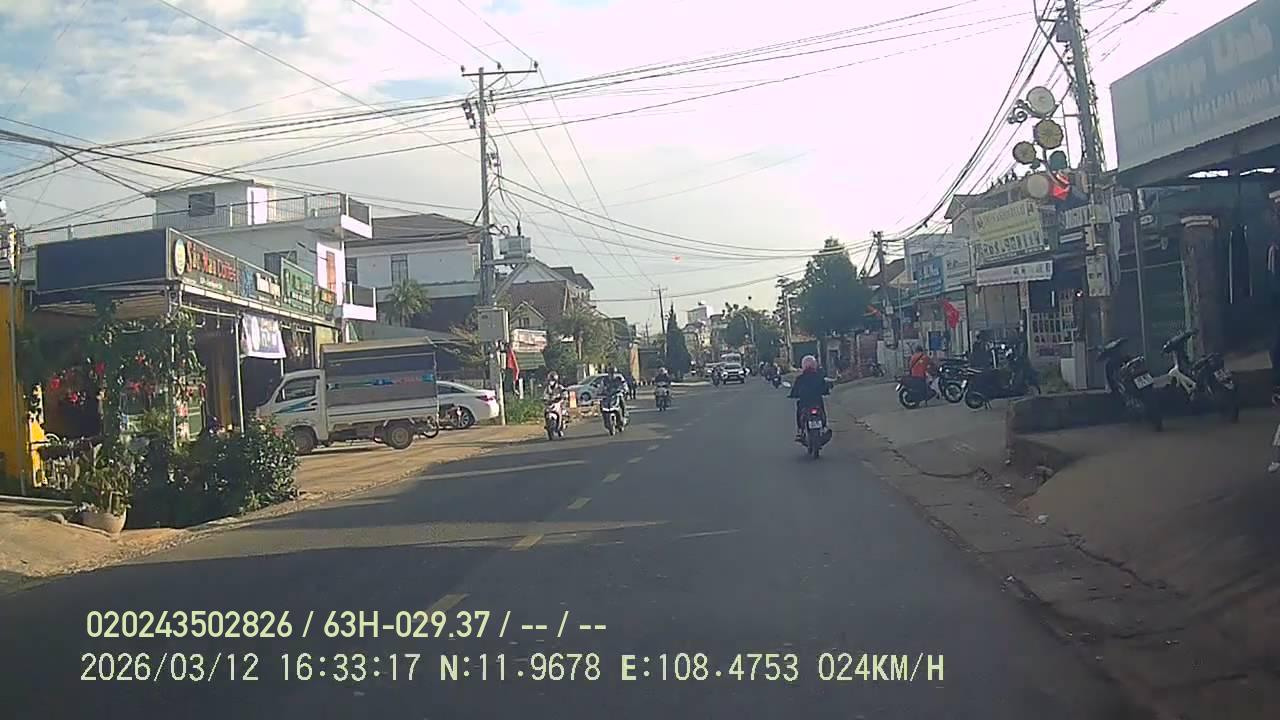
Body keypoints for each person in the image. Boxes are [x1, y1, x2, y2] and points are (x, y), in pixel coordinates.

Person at [788, 354, 830, 440]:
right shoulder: (819, 377)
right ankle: (824, 426)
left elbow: (795, 390)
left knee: (799, 410)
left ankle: (800, 430)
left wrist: (792, 395)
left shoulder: (800, 378)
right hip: (816, 402)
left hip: (804, 403)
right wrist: (826, 391)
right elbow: (825, 388)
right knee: (821, 409)